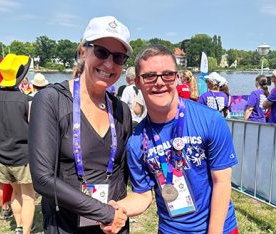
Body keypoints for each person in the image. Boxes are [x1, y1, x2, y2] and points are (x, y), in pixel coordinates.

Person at [103, 44, 239, 234]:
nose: (159, 82)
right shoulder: (136, 141)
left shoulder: (210, 120)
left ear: (176, 78)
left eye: (167, 74)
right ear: (137, 82)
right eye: (150, 76)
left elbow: (222, 181)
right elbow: (142, 195)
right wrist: (115, 210)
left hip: (220, 229)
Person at [28, 16, 132, 233]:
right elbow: (42, 179)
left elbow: (122, 174)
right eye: (102, 52)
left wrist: (116, 215)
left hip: (112, 227)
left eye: (118, 57)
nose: (109, 64)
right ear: (83, 51)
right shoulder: (51, 100)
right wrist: (104, 212)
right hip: (67, 226)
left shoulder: (122, 109)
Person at [0, 54, 36, 234]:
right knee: (28, 196)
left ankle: (18, 226)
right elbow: (34, 130)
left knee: (16, 192)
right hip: (22, 156)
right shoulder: (26, 101)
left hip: (1, 154)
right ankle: (26, 231)